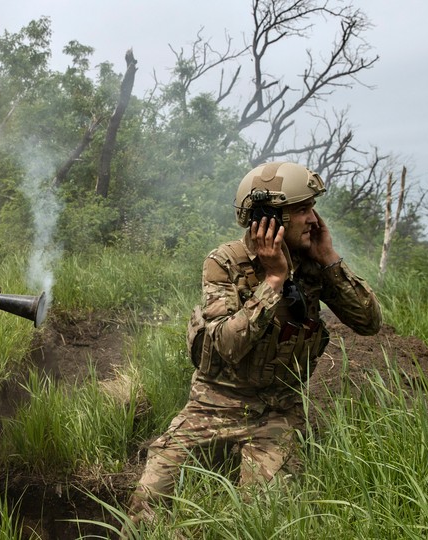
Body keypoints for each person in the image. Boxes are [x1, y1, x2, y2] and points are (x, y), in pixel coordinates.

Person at [128, 161, 382, 524]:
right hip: (214, 404)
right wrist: (274, 280)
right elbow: (226, 346)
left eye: (313, 207)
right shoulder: (225, 262)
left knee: (261, 518)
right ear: (268, 218)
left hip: (276, 412)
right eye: (301, 209)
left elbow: (369, 322)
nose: (313, 219)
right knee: (146, 503)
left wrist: (329, 259)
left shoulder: (314, 264)